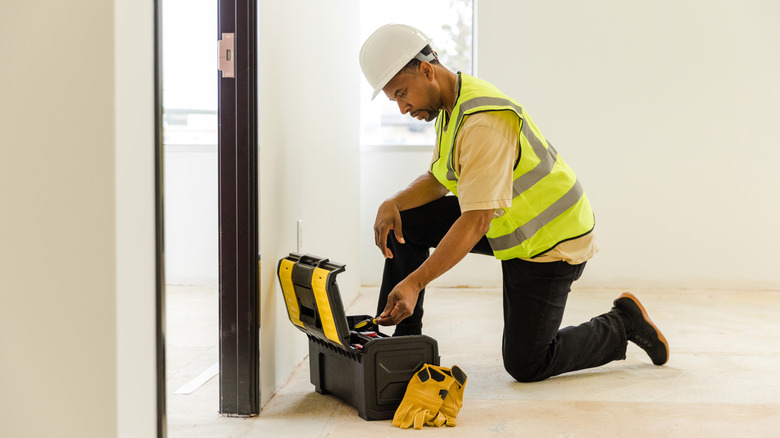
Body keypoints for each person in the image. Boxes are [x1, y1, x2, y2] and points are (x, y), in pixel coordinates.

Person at [358, 24, 669, 382]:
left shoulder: (483, 121)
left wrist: (415, 282)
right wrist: (393, 202)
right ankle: (402, 348)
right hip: (509, 222)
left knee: (527, 363)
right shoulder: (449, 106)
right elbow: (440, 180)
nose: (401, 108)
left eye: (401, 94)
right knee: (406, 222)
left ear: (426, 71)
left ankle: (622, 324)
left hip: (549, 239)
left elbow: (475, 221)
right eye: (394, 99)